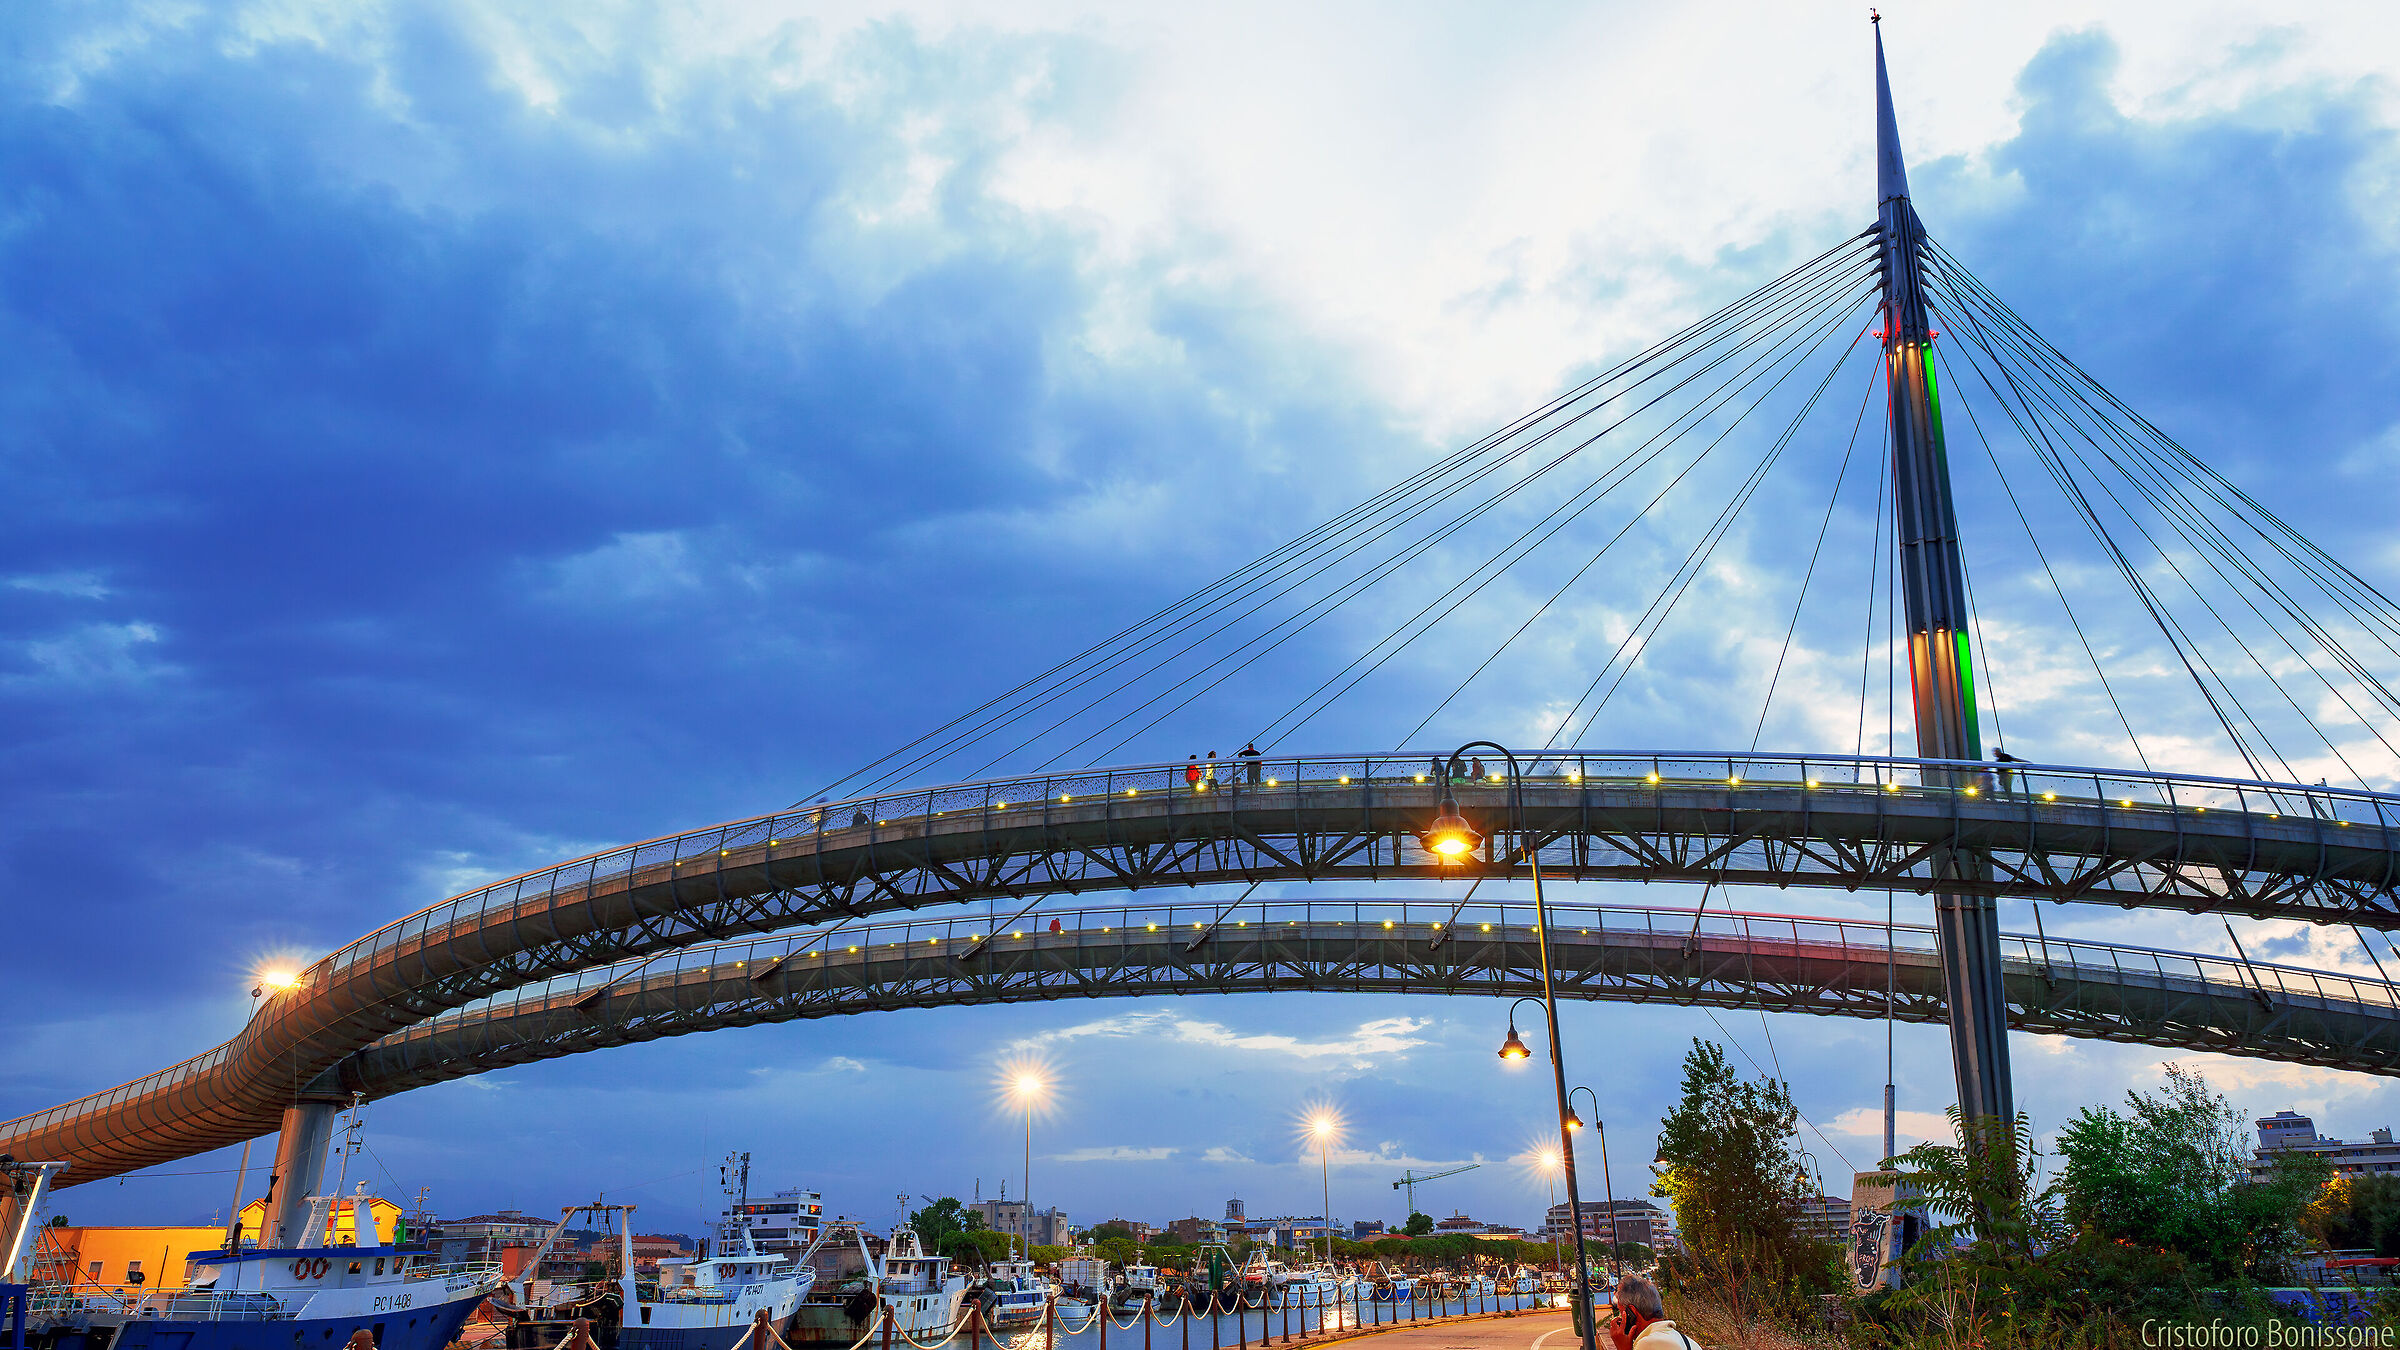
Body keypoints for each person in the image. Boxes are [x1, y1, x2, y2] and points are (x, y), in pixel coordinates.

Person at [1605, 1274, 1696, 1350]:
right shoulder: (1687, 1341)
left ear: (1631, 1313)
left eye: (1622, 1313)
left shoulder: (1648, 1343)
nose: (1620, 1320)